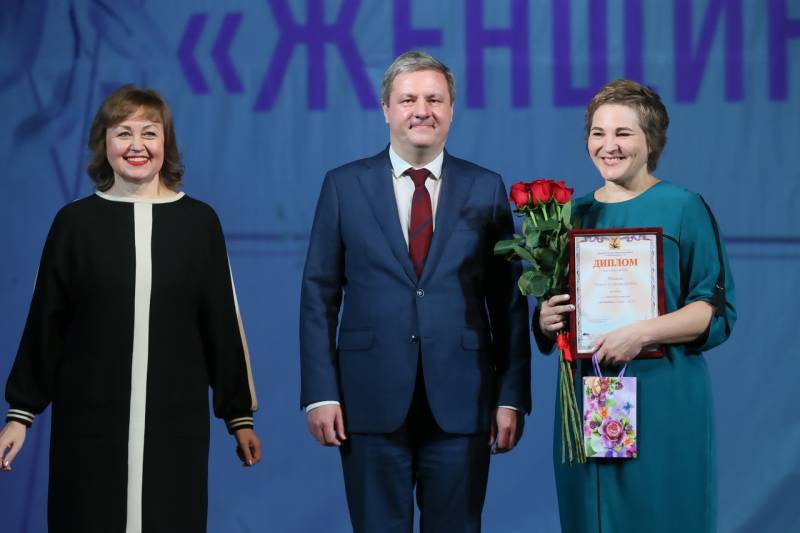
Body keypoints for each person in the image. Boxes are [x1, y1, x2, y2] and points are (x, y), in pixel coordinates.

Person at [0, 86, 261, 533]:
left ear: (166, 143)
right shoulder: (74, 224)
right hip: (89, 427)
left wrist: (240, 417)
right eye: (123, 133)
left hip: (174, 426)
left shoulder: (199, 224)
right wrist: (19, 415)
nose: (136, 145)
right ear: (104, 143)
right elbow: (46, 323)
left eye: (149, 132)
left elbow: (221, 323)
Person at [300, 51, 531, 532]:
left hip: (464, 401)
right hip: (368, 400)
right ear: (385, 109)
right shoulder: (343, 186)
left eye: (434, 99)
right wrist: (320, 393)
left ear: (452, 109)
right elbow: (319, 296)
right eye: (408, 100)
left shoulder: (486, 187)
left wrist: (511, 396)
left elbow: (508, 303)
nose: (422, 110)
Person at [534, 79, 737, 533]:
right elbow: (560, 311)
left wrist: (642, 332)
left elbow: (714, 309)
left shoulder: (684, 208)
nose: (608, 145)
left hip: (665, 393)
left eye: (623, 133)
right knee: (592, 517)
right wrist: (546, 320)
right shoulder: (569, 215)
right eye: (598, 133)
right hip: (589, 395)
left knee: (664, 513)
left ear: (651, 141)